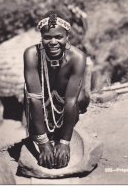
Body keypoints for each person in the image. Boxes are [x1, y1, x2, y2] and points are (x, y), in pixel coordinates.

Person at [23, 10, 90, 169]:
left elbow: (71, 101)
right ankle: (43, 132)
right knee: (32, 105)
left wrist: (64, 142)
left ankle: (62, 131)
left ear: (67, 37)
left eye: (58, 37)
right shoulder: (32, 55)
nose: (53, 42)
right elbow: (35, 98)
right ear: (41, 37)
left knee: (80, 99)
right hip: (41, 102)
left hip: (66, 101)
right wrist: (44, 144)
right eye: (47, 37)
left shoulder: (77, 57)